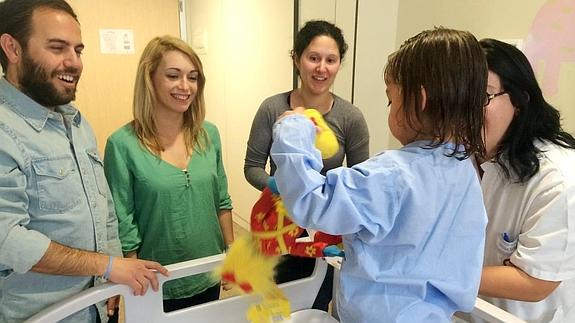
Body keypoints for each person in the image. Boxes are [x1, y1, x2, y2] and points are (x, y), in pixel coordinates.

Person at [269, 27, 488, 322]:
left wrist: (293, 130)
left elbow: (311, 201)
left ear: (419, 99)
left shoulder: (393, 174)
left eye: (391, 100)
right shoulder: (465, 170)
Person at [0, 1, 168, 322]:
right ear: (13, 48)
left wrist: (111, 275)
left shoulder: (75, 121)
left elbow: (102, 209)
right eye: (57, 47)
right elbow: (7, 239)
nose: (74, 62)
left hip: (97, 306)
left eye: (78, 50)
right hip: (44, 315)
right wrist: (107, 266)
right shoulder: (5, 129)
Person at [244, 19, 369, 312]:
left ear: (340, 64)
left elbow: (361, 179)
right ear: (296, 59)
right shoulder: (272, 108)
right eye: (313, 58)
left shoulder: (351, 118)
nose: (321, 68)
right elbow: (251, 167)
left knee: (314, 304)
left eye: (331, 60)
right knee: (273, 307)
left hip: (326, 233)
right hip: (278, 226)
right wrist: (280, 186)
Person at [103, 35, 234, 313]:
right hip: (155, 280)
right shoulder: (122, 144)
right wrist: (132, 275)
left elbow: (221, 200)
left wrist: (231, 253)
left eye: (193, 77)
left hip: (207, 269)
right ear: (150, 79)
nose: (185, 87)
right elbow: (123, 221)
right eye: (173, 76)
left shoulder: (208, 135)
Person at [472, 38, 575, 322]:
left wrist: (437, 271)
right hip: (473, 309)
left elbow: (535, 282)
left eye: (482, 96)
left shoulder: (558, 178)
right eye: (459, 96)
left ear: (519, 101)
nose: (466, 110)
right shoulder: (461, 156)